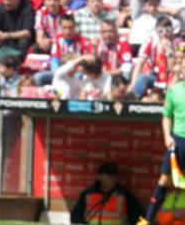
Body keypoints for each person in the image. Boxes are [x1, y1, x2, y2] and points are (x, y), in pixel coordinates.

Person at [140, 68, 185, 224]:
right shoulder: (174, 90)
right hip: (179, 140)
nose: (183, 70)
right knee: (164, 180)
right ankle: (147, 220)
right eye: (183, 67)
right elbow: (166, 116)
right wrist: (167, 136)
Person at [71, 163, 143, 224]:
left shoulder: (126, 194)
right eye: (107, 175)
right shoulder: (88, 194)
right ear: (99, 176)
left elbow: (141, 219)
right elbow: (74, 217)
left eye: (113, 175)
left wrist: (128, 221)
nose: (111, 178)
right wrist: (84, 219)